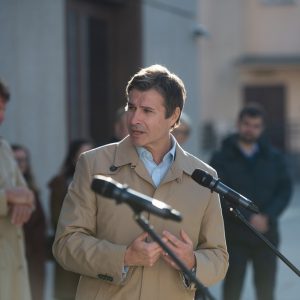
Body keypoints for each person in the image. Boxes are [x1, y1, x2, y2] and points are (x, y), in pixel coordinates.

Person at [52, 64, 228, 300]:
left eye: (147, 111)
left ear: (173, 116)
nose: (134, 119)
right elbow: (65, 244)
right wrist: (123, 257)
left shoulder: (204, 177)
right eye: (131, 107)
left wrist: (193, 261)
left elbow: (219, 256)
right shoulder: (93, 164)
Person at [210, 105, 293, 300]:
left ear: (262, 129)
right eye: (247, 124)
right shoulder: (221, 158)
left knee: (266, 292)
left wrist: (268, 216)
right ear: (239, 125)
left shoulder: (274, 158)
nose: (250, 129)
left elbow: (285, 190)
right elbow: (215, 193)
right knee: (232, 291)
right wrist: (247, 217)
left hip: (266, 236)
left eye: (256, 126)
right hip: (234, 236)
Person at [0, 79, 35, 300]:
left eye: (2, 108)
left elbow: (25, 192)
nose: (1, 115)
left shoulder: (3, 147)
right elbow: (14, 194)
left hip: (13, 264)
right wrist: (7, 198)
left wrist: (26, 202)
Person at [48, 138, 94, 300]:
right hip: (70, 247)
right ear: (73, 158)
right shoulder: (60, 183)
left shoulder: (100, 183)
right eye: (82, 154)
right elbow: (56, 218)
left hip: (93, 252)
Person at [12, 144, 47, 300]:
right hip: (12, 256)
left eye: (24, 160)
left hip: (33, 260)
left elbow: (40, 224)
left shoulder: (33, 190)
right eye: (16, 160)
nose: (21, 164)